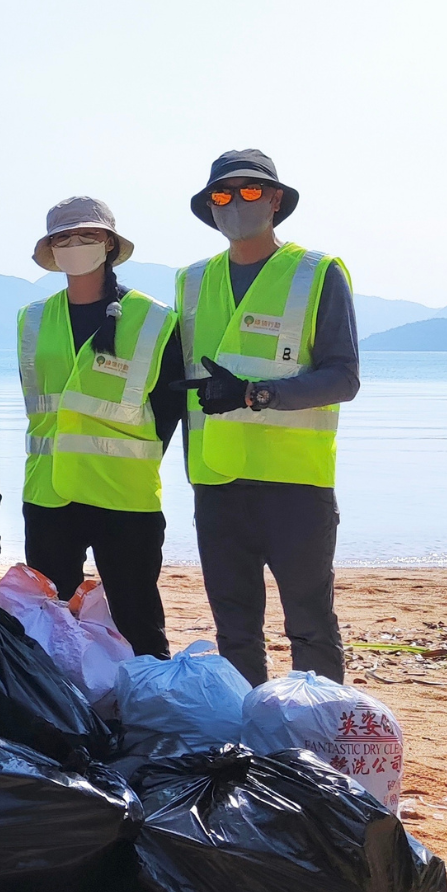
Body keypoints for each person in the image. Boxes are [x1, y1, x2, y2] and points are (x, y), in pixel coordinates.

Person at [175, 150, 360, 685]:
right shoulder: (191, 282)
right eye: (222, 194)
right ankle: (250, 748)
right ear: (210, 207)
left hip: (295, 487)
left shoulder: (316, 273)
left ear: (276, 200)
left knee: (309, 626)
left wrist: (257, 394)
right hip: (216, 483)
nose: (235, 202)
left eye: (251, 191)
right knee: (235, 632)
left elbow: (343, 377)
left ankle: (317, 736)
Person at [14, 197, 184, 659]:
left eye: (87, 235)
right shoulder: (32, 319)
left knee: (137, 619)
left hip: (124, 495)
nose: (75, 245)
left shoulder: (153, 319)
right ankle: (62, 720)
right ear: (51, 248)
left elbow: (169, 410)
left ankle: (147, 715)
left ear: (108, 243)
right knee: (51, 622)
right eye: (64, 237)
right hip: (49, 494)